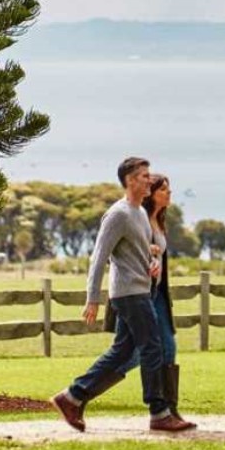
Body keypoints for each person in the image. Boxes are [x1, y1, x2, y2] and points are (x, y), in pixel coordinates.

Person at [51, 157, 195, 433]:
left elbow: (137, 252)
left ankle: (72, 397)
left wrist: (151, 262)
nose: (148, 180)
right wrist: (92, 298)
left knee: (123, 351)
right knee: (153, 347)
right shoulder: (118, 214)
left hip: (141, 288)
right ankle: (159, 412)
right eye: (143, 176)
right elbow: (99, 257)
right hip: (129, 294)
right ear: (130, 180)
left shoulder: (139, 212)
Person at [108, 173, 184, 418]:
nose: (169, 193)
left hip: (157, 294)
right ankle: (81, 392)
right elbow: (123, 254)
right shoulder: (137, 218)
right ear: (152, 193)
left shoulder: (159, 220)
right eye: (163, 189)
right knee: (132, 354)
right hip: (138, 293)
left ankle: (169, 409)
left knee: (167, 348)